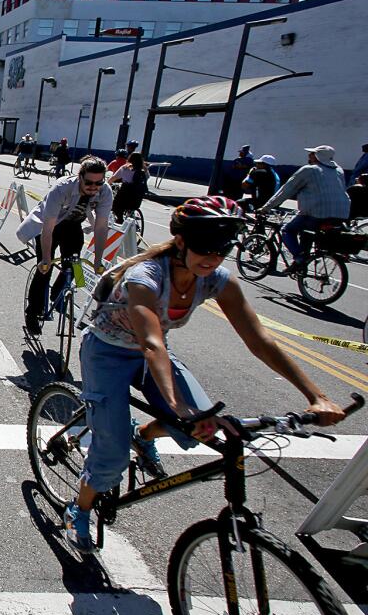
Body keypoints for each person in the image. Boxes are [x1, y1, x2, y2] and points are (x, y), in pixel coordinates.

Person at [63, 197, 344, 553]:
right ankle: (80, 508)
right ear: (181, 242)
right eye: (205, 248)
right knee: (112, 455)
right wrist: (180, 409)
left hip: (154, 354)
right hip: (107, 352)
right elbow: (151, 343)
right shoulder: (145, 277)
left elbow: (259, 339)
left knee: (203, 424)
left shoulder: (216, 280)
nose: (213, 258)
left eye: (222, 250)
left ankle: (145, 433)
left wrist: (315, 395)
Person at [19, 157, 113, 334]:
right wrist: (46, 258)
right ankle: (33, 311)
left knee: (77, 270)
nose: (94, 187)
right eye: (89, 183)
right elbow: (48, 228)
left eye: (98, 183)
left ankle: (59, 293)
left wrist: (99, 260)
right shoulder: (62, 188)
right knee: (45, 269)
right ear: (80, 177)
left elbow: (101, 227)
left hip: (73, 225)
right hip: (49, 225)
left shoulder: (105, 192)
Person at [260, 145, 351, 266]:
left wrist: (266, 208)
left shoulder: (308, 170)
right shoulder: (339, 170)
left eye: (312, 154)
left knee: (287, 230)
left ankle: (299, 257)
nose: (309, 155)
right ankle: (303, 262)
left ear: (318, 156)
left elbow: (286, 191)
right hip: (341, 214)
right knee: (306, 233)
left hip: (317, 212)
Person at [109, 150, 148, 225]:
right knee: (131, 207)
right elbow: (147, 178)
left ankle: (120, 220)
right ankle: (131, 216)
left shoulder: (125, 168)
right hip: (137, 195)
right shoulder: (143, 170)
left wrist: (107, 184)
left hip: (126, 192)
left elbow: (113, 178)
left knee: (116, 206)